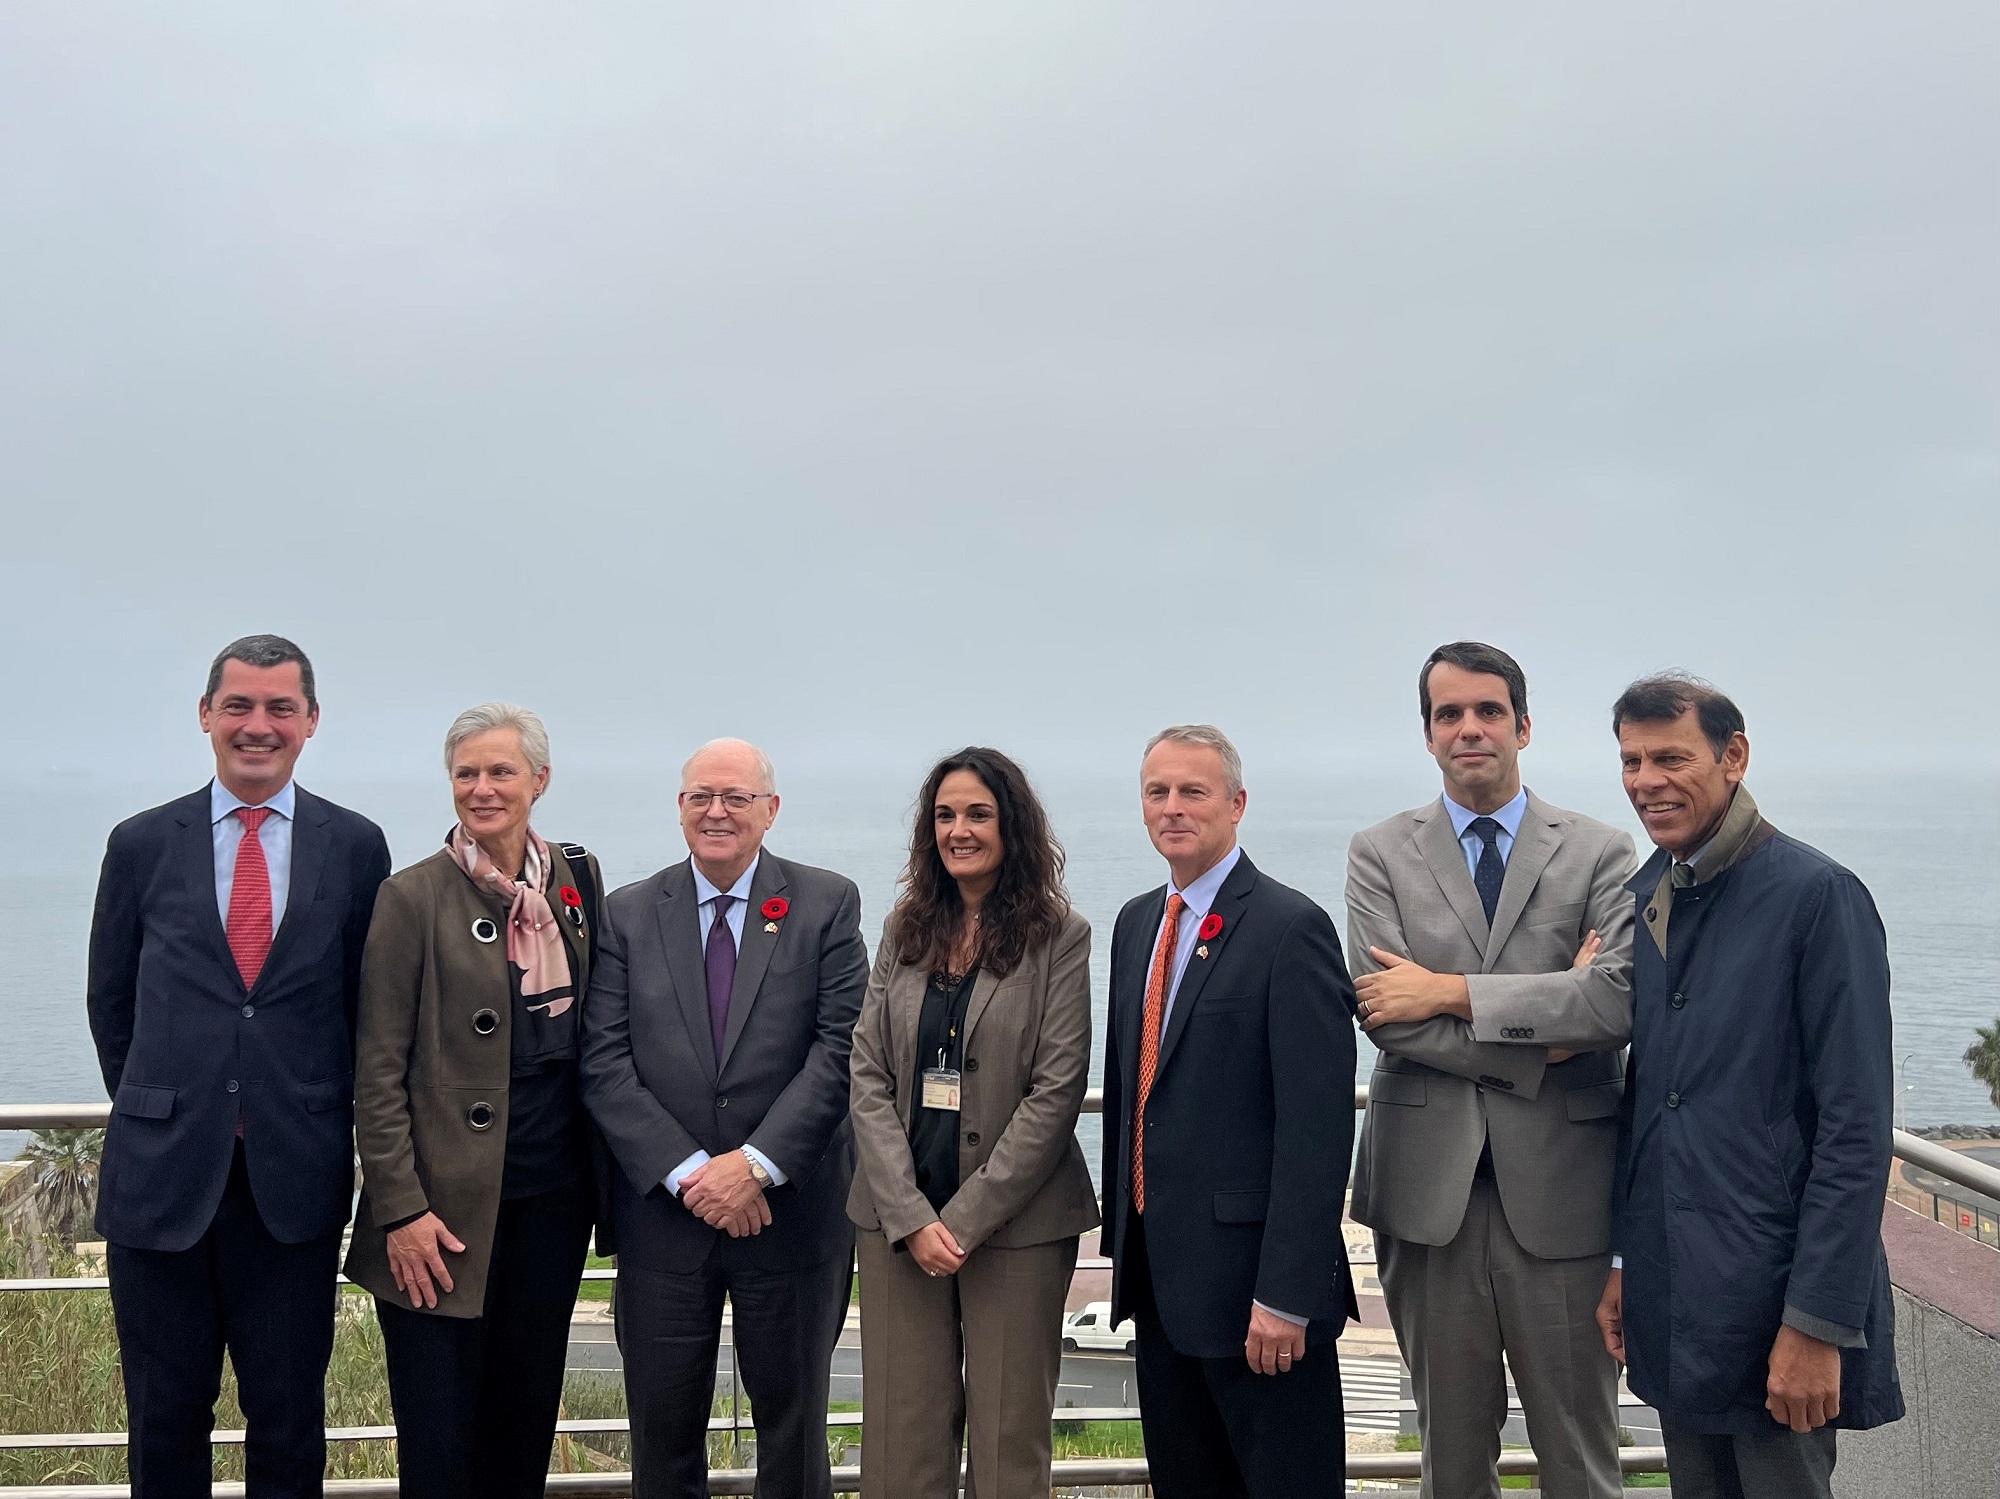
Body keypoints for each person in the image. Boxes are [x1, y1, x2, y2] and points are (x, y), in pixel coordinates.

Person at [86, 634, 391, 1499]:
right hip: (160, 1182)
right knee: (164, 1419)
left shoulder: (356, 844)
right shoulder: (141, 842)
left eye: (280, 707)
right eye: (240, 706)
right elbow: (110, 1000)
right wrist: (170, 1109)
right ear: (206, 715)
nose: (259, 725)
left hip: (291, 1185)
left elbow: (365, 1007)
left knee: (289, 1422)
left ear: (311, 720)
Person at [1596, 674, 1903, 1499]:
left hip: (1776, 1300)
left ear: (1733, 756)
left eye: (1670, 758)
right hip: (1676, 1290)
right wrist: (1626, 1259)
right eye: (1631, 761)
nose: (1646, 781)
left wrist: (1817, 1322)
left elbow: (1856, 1129)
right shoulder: (1655, 894)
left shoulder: (1818, 896)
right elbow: (1648, 1099)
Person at [1345, 641, 1637, 1499]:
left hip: (1566, 1196)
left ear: (1524, 725)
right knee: (1450, 1460)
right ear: (1428, 734)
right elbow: (1385, 1014)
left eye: (1488, 710)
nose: (1469, 727)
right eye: (1449, 714)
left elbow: (1613, 1002)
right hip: (1427, 1200)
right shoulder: (1378, 851)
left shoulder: (1600, 850)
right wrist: (1548, 1028)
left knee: (1582, 1458)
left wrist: (1444, 990)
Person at [580, 739, 868, 1499]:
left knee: (795, 1439)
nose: (717, 811)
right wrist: (692, 1175)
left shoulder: (826, 903)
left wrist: (755, 1166)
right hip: (664, 1222)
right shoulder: (628, 913)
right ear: (679, 809)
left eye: (737, 797)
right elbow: (603, 1061)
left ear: (770, 811)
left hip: (790, 1216)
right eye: (701, 796)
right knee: (661, 1439)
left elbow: (841, 1049)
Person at [345, 703, 607, 1499]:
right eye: (467, 773)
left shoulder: (577, 880)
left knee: (520, 1436)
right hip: (438, 1219)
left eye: (501, 771)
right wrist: (401, 1209)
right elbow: (376, 1071)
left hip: (551, 1204)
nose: (482, 788)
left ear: (540, 780)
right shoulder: (411, 896)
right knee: (440, 1447)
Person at [1098, 724, 1359, 1499]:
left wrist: (1286, 1295)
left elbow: (1317, 1132)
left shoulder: (1290, 927)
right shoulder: (1136, 923)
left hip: (1259, 1305)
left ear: (1237, 803)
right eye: (1157, 792)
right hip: (1161, 1292)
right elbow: (1133, 1094)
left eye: (1193, 791)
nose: (1173, 807)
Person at [847, 748, 1099, 1499]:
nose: (959, 830)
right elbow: (867, 1071)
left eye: (978, 814)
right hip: (897, 1225)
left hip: (1016, 1227)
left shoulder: (1060, 935)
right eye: (946, 815)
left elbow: (1057, 1089)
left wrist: (959, 1222)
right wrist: (911, 1214)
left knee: (1007, 1446)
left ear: (1011, 826)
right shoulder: (905, 927)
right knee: (900, 1445)